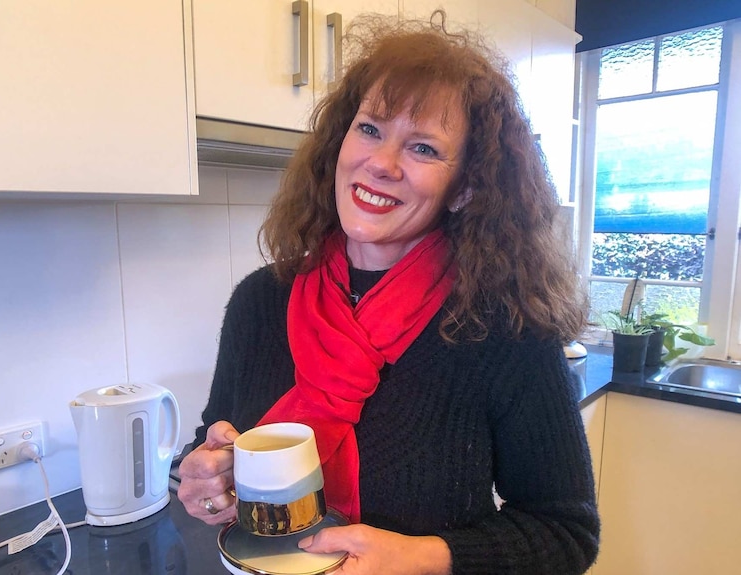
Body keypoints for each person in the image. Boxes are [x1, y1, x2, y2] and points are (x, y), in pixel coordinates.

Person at [178, 10, 599, 575]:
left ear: (464, 187)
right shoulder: (260, 302)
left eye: (423, 148)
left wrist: (421, 557)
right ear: (340, 142)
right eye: (370, 129)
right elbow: (215, 443)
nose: (381, 164)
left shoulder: (504, 326)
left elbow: (565, 532)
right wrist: (203, 477)